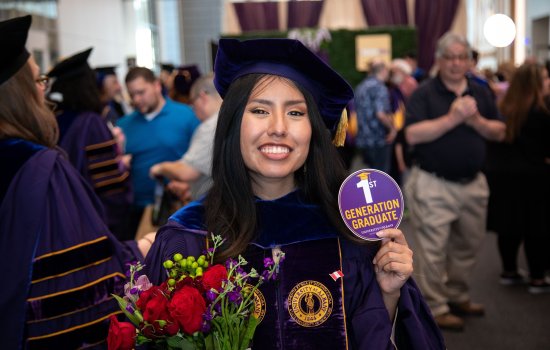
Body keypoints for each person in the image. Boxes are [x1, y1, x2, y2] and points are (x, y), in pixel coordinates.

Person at [145, 38, 446, 349]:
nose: (278, 127)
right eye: (260, 110)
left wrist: (388, 292)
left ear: (313, 129)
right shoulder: (189, 235)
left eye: (296, 113)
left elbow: (370, 337)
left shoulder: (349, 232)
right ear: (233, 123)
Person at [0, 15, 154, 349]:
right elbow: (77, 290)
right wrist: (137, 251)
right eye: (38, 79)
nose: (44, 88)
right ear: (19, 94)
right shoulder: (42, 168)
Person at [403, 32, 505, 331]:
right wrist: (452, 119)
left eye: (463, 57)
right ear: (439, 59)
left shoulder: (481, 91)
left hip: (474, 184)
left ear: (470, 61)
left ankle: (457, 295)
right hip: (434, 183)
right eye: (451, 57)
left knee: (469, 245)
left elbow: (499, 131)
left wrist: (477, 122)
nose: (457, 63)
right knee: (433, 250)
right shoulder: (424, 93)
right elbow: (411, 135)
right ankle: (435, 307)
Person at [47, 47, 134, 241]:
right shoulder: (91, 123)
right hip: (96, 221)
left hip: (64, 220)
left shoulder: (52, 121)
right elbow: (110, 187)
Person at [485, 63, 550, 293]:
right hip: (534, 178)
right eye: (544, 77)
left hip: (504, 177)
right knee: (536, 229)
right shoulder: (542, 110)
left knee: (509, 226)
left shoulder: (504, 107)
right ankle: (537, 278)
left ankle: (510, 271)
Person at [118, 67, 199, 239]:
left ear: (156, 85)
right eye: (131, 95)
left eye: (141, 92)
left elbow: (205, 160)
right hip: (137, 213)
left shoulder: (186, 115)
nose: (136, 99)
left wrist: (192, 186)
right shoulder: (123, 125)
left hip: (180, 208)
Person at [150, 74, 222, 201]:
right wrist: (193, 188)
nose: (194, 111)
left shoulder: (210, 126)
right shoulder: (232, 119)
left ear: (202, 97)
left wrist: (160, 168)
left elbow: (187, 172)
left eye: (193, 104)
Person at [354, 60, 396, 173]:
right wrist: (392, 129)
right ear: (383, 71)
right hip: (379, 140)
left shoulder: (360, 87)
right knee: (381, 177)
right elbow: (380, 114)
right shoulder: (380, 87)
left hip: (363, 139)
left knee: (370, 177)